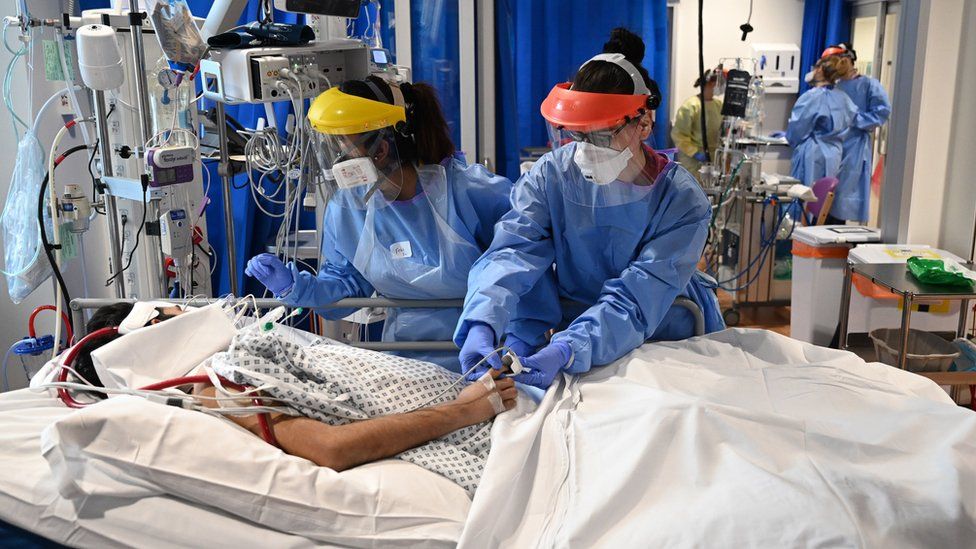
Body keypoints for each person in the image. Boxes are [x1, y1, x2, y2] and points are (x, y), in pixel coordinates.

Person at [454, 28, 725, 391]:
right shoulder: (552, 175)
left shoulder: (681, 201)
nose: (584, 151)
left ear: (643, 123)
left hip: (664, 333)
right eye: (578, 135)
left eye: (601, 136)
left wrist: (568, 347)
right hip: (578, 338)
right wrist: (482, 322)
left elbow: (638, 298)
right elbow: (512, 251)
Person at [245, 77, 557, 372]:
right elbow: (346, 286)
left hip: (489, 355)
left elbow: (526, 278)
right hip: (404, 362)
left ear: (380, 150)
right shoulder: (349, 208)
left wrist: (516, 350)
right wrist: (297, 287)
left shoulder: (476, 195)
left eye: (344, 146)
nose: (338, 159)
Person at [68, 302, 517, 481]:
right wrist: (463, 412)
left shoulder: (227, 350)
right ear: (152, 329)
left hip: (482, 402)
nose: (187, 308)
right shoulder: (213, 389)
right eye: (173, 308)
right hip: (481, 427)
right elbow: (331, 447)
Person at [823, 43, 891, 224]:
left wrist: (854, 119)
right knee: (822, 202)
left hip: (853, 148)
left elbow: (882, 112)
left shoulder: (868, 85)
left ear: (848, 60)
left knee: (842, 201)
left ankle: (838, 247)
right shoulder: (831, 86)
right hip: (829, 147)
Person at [786, 56, 857, 190]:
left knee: (806, 198)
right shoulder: (843, 98)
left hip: (813, 155)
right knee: (823, 199)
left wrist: (788, 137)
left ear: (820, 70)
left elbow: (796, 130)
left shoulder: (812, 97)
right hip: (835, 154)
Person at [671, 67, 723, 178]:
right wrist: (695, 153)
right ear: (709, 84)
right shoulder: (691, 106)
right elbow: (679, 134)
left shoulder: (718, 105)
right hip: (693, 161)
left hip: (714, 158)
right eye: (718, 83)